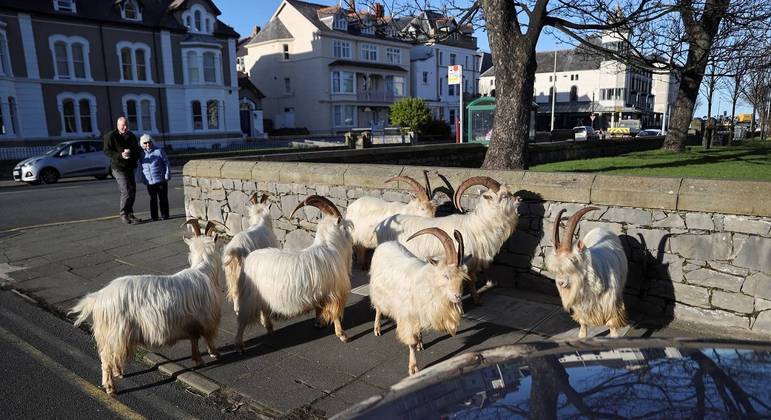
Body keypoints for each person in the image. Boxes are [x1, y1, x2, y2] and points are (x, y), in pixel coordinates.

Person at [104, 117, 142, 224]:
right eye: (122, 126)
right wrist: (120, 155)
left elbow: (136, 150)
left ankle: (130, 213)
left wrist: (134, 156)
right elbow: (107, 151)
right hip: (118, 167)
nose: (125, 128)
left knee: (133, 191)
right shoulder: (111, 136)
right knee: (126, 191)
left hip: (130, 167)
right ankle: (124, 214)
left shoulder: (131, 136)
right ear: (118, 125)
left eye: (126, 125)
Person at [137, 134, 171, 221]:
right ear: (142, 144)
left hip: (161, 179)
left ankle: (165, 215)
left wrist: (167, 174)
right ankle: (154, 217)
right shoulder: (141, 155)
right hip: (149, 181)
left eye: (149, 142)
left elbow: (166, 163)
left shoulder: (159, 151)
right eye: (145, 143)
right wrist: (142, 178)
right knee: (153, 199)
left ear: (152, 142)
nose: (147, 144)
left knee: (163, 198)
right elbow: (140, 167)